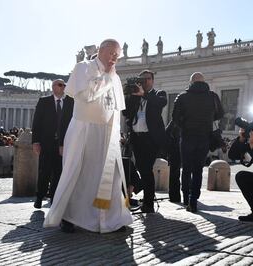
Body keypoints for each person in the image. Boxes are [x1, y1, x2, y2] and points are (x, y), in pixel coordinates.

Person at [43, 39, 133, 233]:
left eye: (117, 55)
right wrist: (107, 77)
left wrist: (116, 134)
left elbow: (116, 109)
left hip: (107, 134)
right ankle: (69, 216)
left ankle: (111, 219)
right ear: (100, 50)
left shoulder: (115, 76)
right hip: (84, 129)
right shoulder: (83, 67)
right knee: (79, 172)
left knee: (109, 177)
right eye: (111, 53)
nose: (114, 58)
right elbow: (87, 95)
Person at [171, 72, 224, 212]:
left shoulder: (182, 97)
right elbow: (220, 114)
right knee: (198, 169)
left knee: (186, 168)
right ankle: (194, 199)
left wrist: (185, 125)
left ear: (191, 82)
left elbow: (174, 117)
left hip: (187, 136)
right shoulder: (213, 96)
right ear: (203, 82)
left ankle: (186, 198)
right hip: (204, 136)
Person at [123, 70, 167, 213]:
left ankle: (148, 204)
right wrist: (129, 96)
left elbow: (161, 103)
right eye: (142, 80)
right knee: (141, 169)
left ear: (152, 80)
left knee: (146, 169)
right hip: (136, 138)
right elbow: (126, 113)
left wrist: (144, 94)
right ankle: (143, 197)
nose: (144, 82)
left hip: (151, 139)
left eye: (147, 79)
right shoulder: (136, 96)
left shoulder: (158, 94)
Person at [31, 79, 74, 209]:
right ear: (53, 87)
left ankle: (54, 197)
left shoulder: (71, 102)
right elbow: (36, 122)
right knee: (44, 171)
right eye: (60, 85)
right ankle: (39, 196)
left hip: (63, 144)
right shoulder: (44, 102)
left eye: (64, 85)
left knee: (58, 172)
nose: (63, 87)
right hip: (46, 143)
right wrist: (35, 142)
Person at [165, 120, 181, 203]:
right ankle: (178, 196)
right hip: (182, 149)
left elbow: (166, 132)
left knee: (174, 175)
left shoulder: (175, 121)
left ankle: (174, 197)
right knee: (178, 175)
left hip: (175, 151)